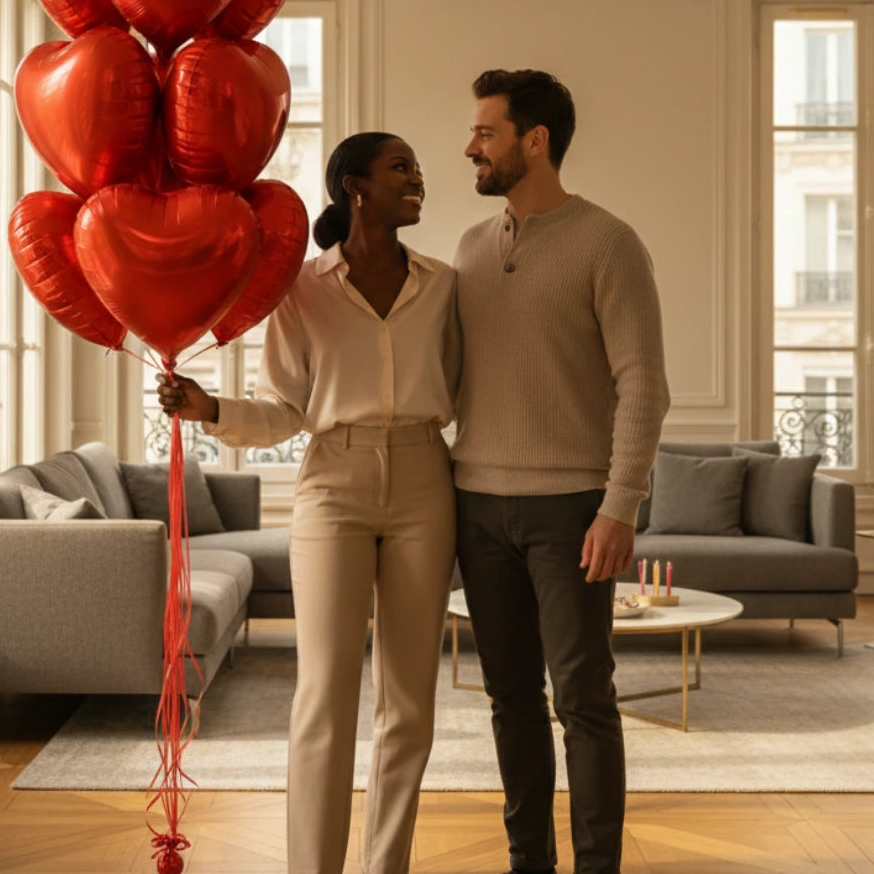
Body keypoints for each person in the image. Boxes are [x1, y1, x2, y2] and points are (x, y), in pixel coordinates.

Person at [157, 132, 460, 874]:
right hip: (332, 485)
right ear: (354, 187)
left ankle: (385, 866)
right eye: (401, 168)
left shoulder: (445, 283)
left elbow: (465, 389)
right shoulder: (302, 291)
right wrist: (210, 408)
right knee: (324, 695)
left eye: (417, 169)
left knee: (410, 705)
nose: (418, 178)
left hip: (426, 480)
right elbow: (286, 410)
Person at [452, 69, 670, 874]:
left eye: (485, 132)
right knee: (510, 703)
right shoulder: (472, 247)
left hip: (571, 513)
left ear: (533, 141)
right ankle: (527, 864)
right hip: (475, 507)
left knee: (582, 700)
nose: (469, 146)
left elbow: (643, 382)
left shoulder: (608, 243)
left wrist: (620, 507)